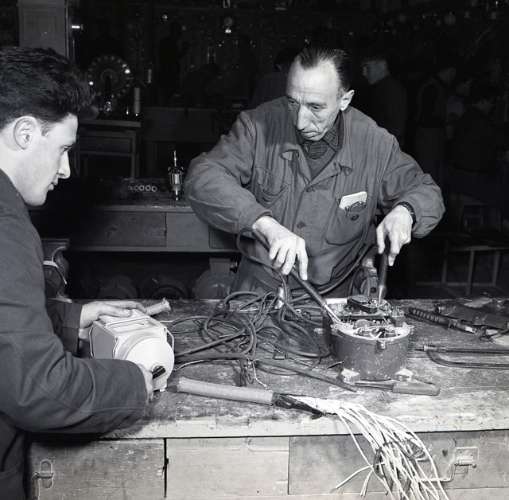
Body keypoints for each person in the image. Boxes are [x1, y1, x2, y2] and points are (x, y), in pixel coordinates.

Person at [0, 47, 154, 499]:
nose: (66, 170)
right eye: (63, 149)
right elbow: (39, 392)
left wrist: (69, 319)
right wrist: (134, 383)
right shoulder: (6, 227)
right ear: (25, 133)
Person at [185, 46, 444, 296]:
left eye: (316, 107)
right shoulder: (256, 125)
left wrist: (406, 211)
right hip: (259, 292)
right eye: (292, 102)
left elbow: (426, 191)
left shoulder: (375, 143)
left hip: (336, 298)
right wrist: (263, 223)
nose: (300, 121)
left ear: (345, 99)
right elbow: (203, 176)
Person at [361, 52, 407, 147]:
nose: (364, 73)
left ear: (382, 65)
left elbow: (397, 128)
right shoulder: (381, 88)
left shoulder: (390, 89)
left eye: (367, 67)